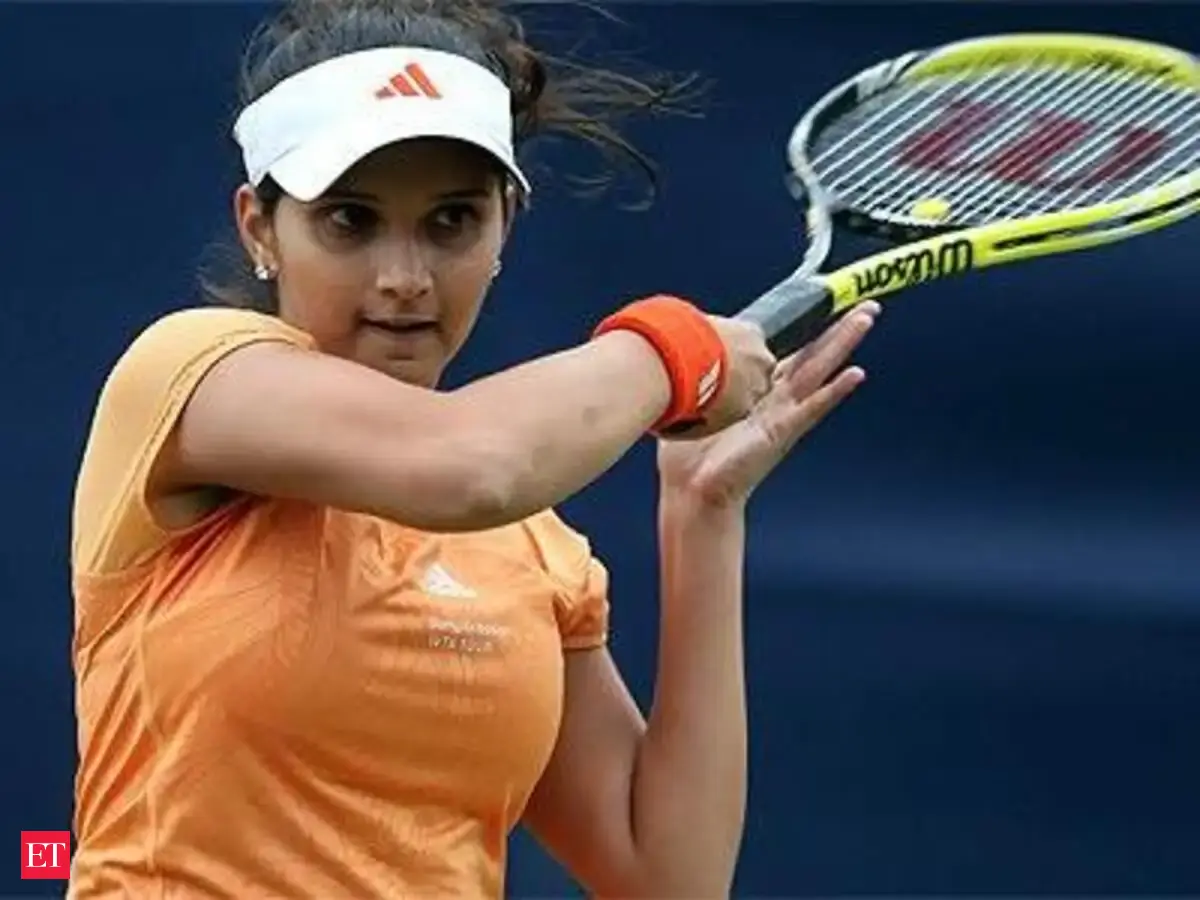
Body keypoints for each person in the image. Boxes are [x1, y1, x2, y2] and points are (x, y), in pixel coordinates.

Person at [67, 0, 879, 896]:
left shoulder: (531, 548)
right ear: (260, 227)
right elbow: (472, 465)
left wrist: (702, 515)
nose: (404, 278)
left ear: (505, 225)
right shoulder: (186, 377)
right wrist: (676, 350)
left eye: (451, 221)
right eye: (350, 221)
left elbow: (668, 878)